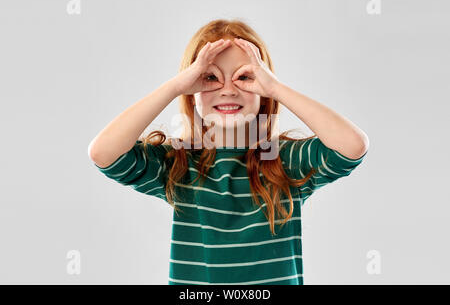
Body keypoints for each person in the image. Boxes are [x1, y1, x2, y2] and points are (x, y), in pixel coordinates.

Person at [88, 19, 369, 285]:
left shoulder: (283, 161)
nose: (227, 90)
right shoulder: (179, 164)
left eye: (244, 77)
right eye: (209, 77)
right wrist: (174, 87)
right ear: (192, 87)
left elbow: (352, 146)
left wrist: (276, 88)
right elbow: (104, 153)